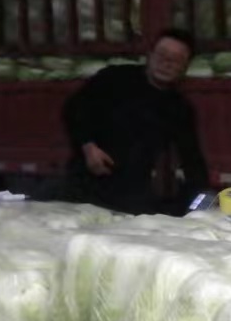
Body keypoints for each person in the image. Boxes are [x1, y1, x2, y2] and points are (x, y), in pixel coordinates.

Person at [61, 29, 209, 214]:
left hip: (132, 191)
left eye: (176, 59)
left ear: (185, 67)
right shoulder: (115, 78)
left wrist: (203, 203)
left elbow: (192, 160)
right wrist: (88, 146)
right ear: (150, 55)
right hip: (85, 182)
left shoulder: (179, 107)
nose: (167, 63)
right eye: (162, 55)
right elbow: (74, 108)